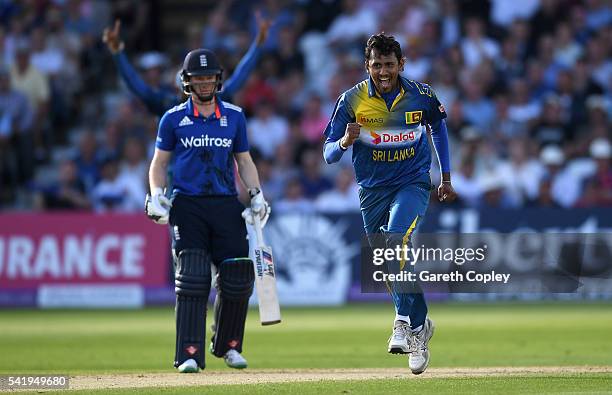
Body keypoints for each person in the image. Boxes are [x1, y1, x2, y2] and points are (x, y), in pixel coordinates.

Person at [322, 33, 456, 375]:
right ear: (367, 65)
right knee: (386, 260)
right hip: (372, 189)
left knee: (394, 242)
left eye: (389, 65)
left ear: (401, 64)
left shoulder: (421, 95)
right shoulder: (351, 99)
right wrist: (345, 140)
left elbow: (438, 129)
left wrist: (446, 177)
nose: (383, 71)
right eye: (377, 65)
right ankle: (420, 327)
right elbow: (328, 154)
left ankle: (401, 321)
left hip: (412, 183)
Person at [145, 48, 270, 373]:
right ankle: (189, 353)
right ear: (187, 81)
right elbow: (159, 163)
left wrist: (256, 194)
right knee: (193, 276)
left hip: (226, 203)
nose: (204, 83)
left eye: (209, 77)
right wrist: (157, 193)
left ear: (218, 80)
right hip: (187, 205)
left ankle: (228, 345)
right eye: (198, 78)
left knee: (238, 275)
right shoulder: (173, 118)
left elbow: (244, 161)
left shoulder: (234, 116)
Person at [102, 14, 271, 116]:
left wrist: (257, 46)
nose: (201, 87)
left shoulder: (217, 99)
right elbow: (135, 84)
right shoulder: (167, 105)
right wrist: (118, 54)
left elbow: (239, 77)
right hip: (177, 173)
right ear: (180, 88)